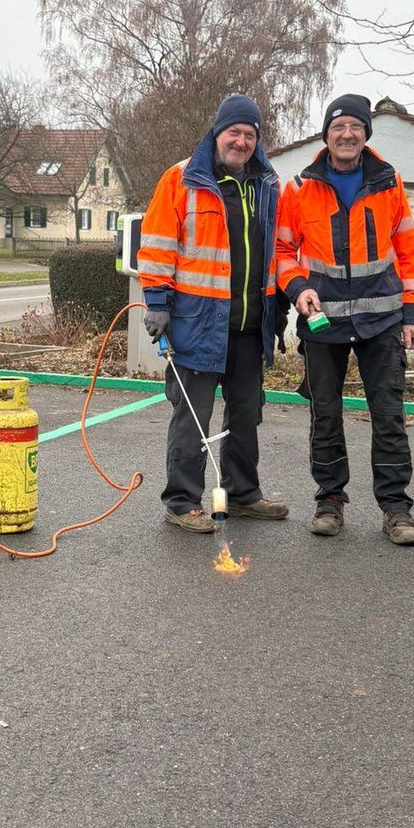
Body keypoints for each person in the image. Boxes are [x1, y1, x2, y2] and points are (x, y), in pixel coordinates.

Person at [275, 93, 414, 544]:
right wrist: (299, 289)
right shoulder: (299, 188)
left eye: (355, 127)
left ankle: (396, 509)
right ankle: (330, 501)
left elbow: (407, 252)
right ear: (326, 135)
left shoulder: (389, 183)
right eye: (338, 127)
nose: (347, 134)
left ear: (365, 134)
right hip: (325, 323)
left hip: (382, 319)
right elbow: (282, 252)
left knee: (389, 415)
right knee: (325, 414)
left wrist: (412, 310)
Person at [139, 93, 290, 532]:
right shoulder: (182, 178)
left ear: (256, 140)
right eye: (234, 132)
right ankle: (182, 501)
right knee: (193, 415)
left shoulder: (267, 185)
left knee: (246, 414)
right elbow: (157, 246)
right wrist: (157, 302)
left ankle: (244, 495)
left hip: (248, 324)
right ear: (217, 132)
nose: (241, 141)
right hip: (197, 322)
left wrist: (278, 307)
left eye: (249, 134)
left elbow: (275, 251)